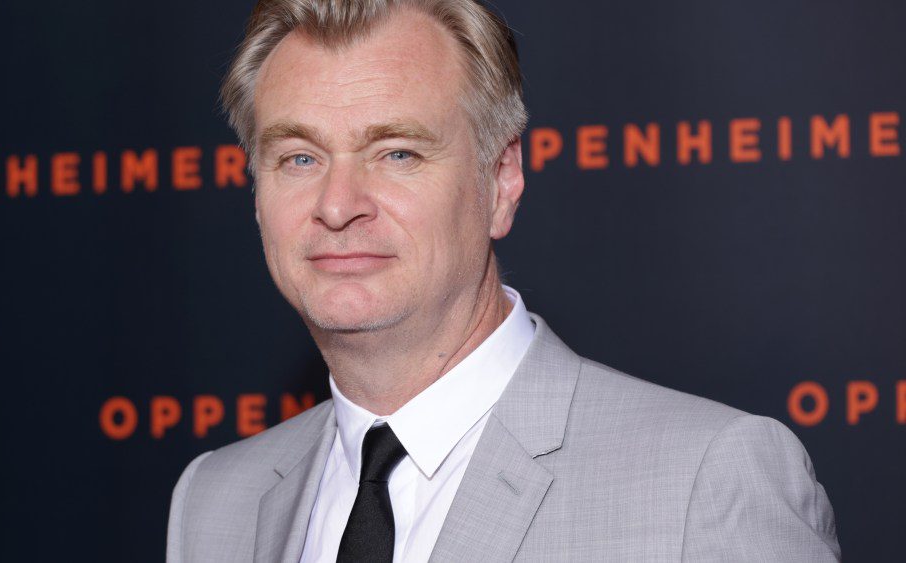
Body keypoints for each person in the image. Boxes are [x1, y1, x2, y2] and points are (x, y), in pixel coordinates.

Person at [167, 1, 840, 561]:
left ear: (502, 179)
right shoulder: (215, 502)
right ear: (257, 192)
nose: (338, 204)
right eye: (299, 156)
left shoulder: (706, 482)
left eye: (396, 152)